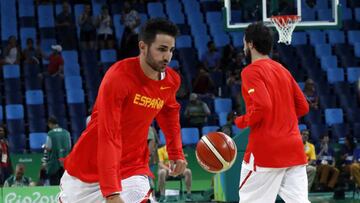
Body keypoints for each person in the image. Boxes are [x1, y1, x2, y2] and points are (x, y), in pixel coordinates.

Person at [59, 18, 187, 203]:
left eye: (171, 50)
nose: (167, 57)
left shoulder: (171, 81)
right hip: (88, 167)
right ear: (143, 47)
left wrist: (176, 153)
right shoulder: (118, 77)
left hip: (132, 167)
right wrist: (111, 192)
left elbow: (169, 113)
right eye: (161, 49)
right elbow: (109, 134)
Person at [235, 22, 310, 203]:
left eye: (245, 41)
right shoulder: (283, 70)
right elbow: (303, 107)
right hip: (293, 148)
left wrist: (242, 121)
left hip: (266, 151)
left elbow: (263, 106)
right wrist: (282, 117)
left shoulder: (250, 72)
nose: (244, 45)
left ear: (251, 44)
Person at [43, 116, 71, 185]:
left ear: (50, 124)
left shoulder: (50, 133)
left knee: (54, 185)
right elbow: (69, 147)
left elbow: (48, 148)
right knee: (65, 185)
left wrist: (44, 147)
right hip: (65, 163)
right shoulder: (67, 133)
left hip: (54, 163)